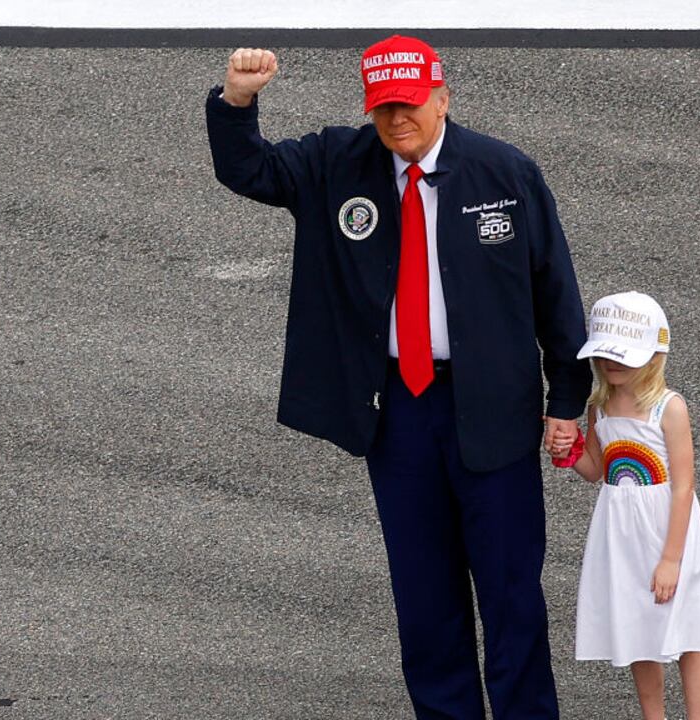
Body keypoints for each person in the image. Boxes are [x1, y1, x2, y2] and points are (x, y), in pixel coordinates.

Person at [205, 36, 591, 720]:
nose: (396, 122)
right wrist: (238, 100)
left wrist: (567, 399)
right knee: (425, 599)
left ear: (442, 97)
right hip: (399, 413)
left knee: (511, 595)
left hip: (493, 410)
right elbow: (248, 170)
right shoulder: (336, 162)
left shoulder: (505, 174)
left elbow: (553, 289)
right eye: (383, 109)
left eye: (409, 105)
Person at [549, 291, 700, 720]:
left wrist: (671, 560)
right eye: (604, 356)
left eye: (623, 355)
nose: (611, 364)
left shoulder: (669, 409)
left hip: (667, 533)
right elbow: (598, 470)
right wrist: (568, 452)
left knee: (687, 637)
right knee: (639, 633)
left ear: (655, 355)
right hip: (621, 535)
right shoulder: (600, 407)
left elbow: (683, 486)